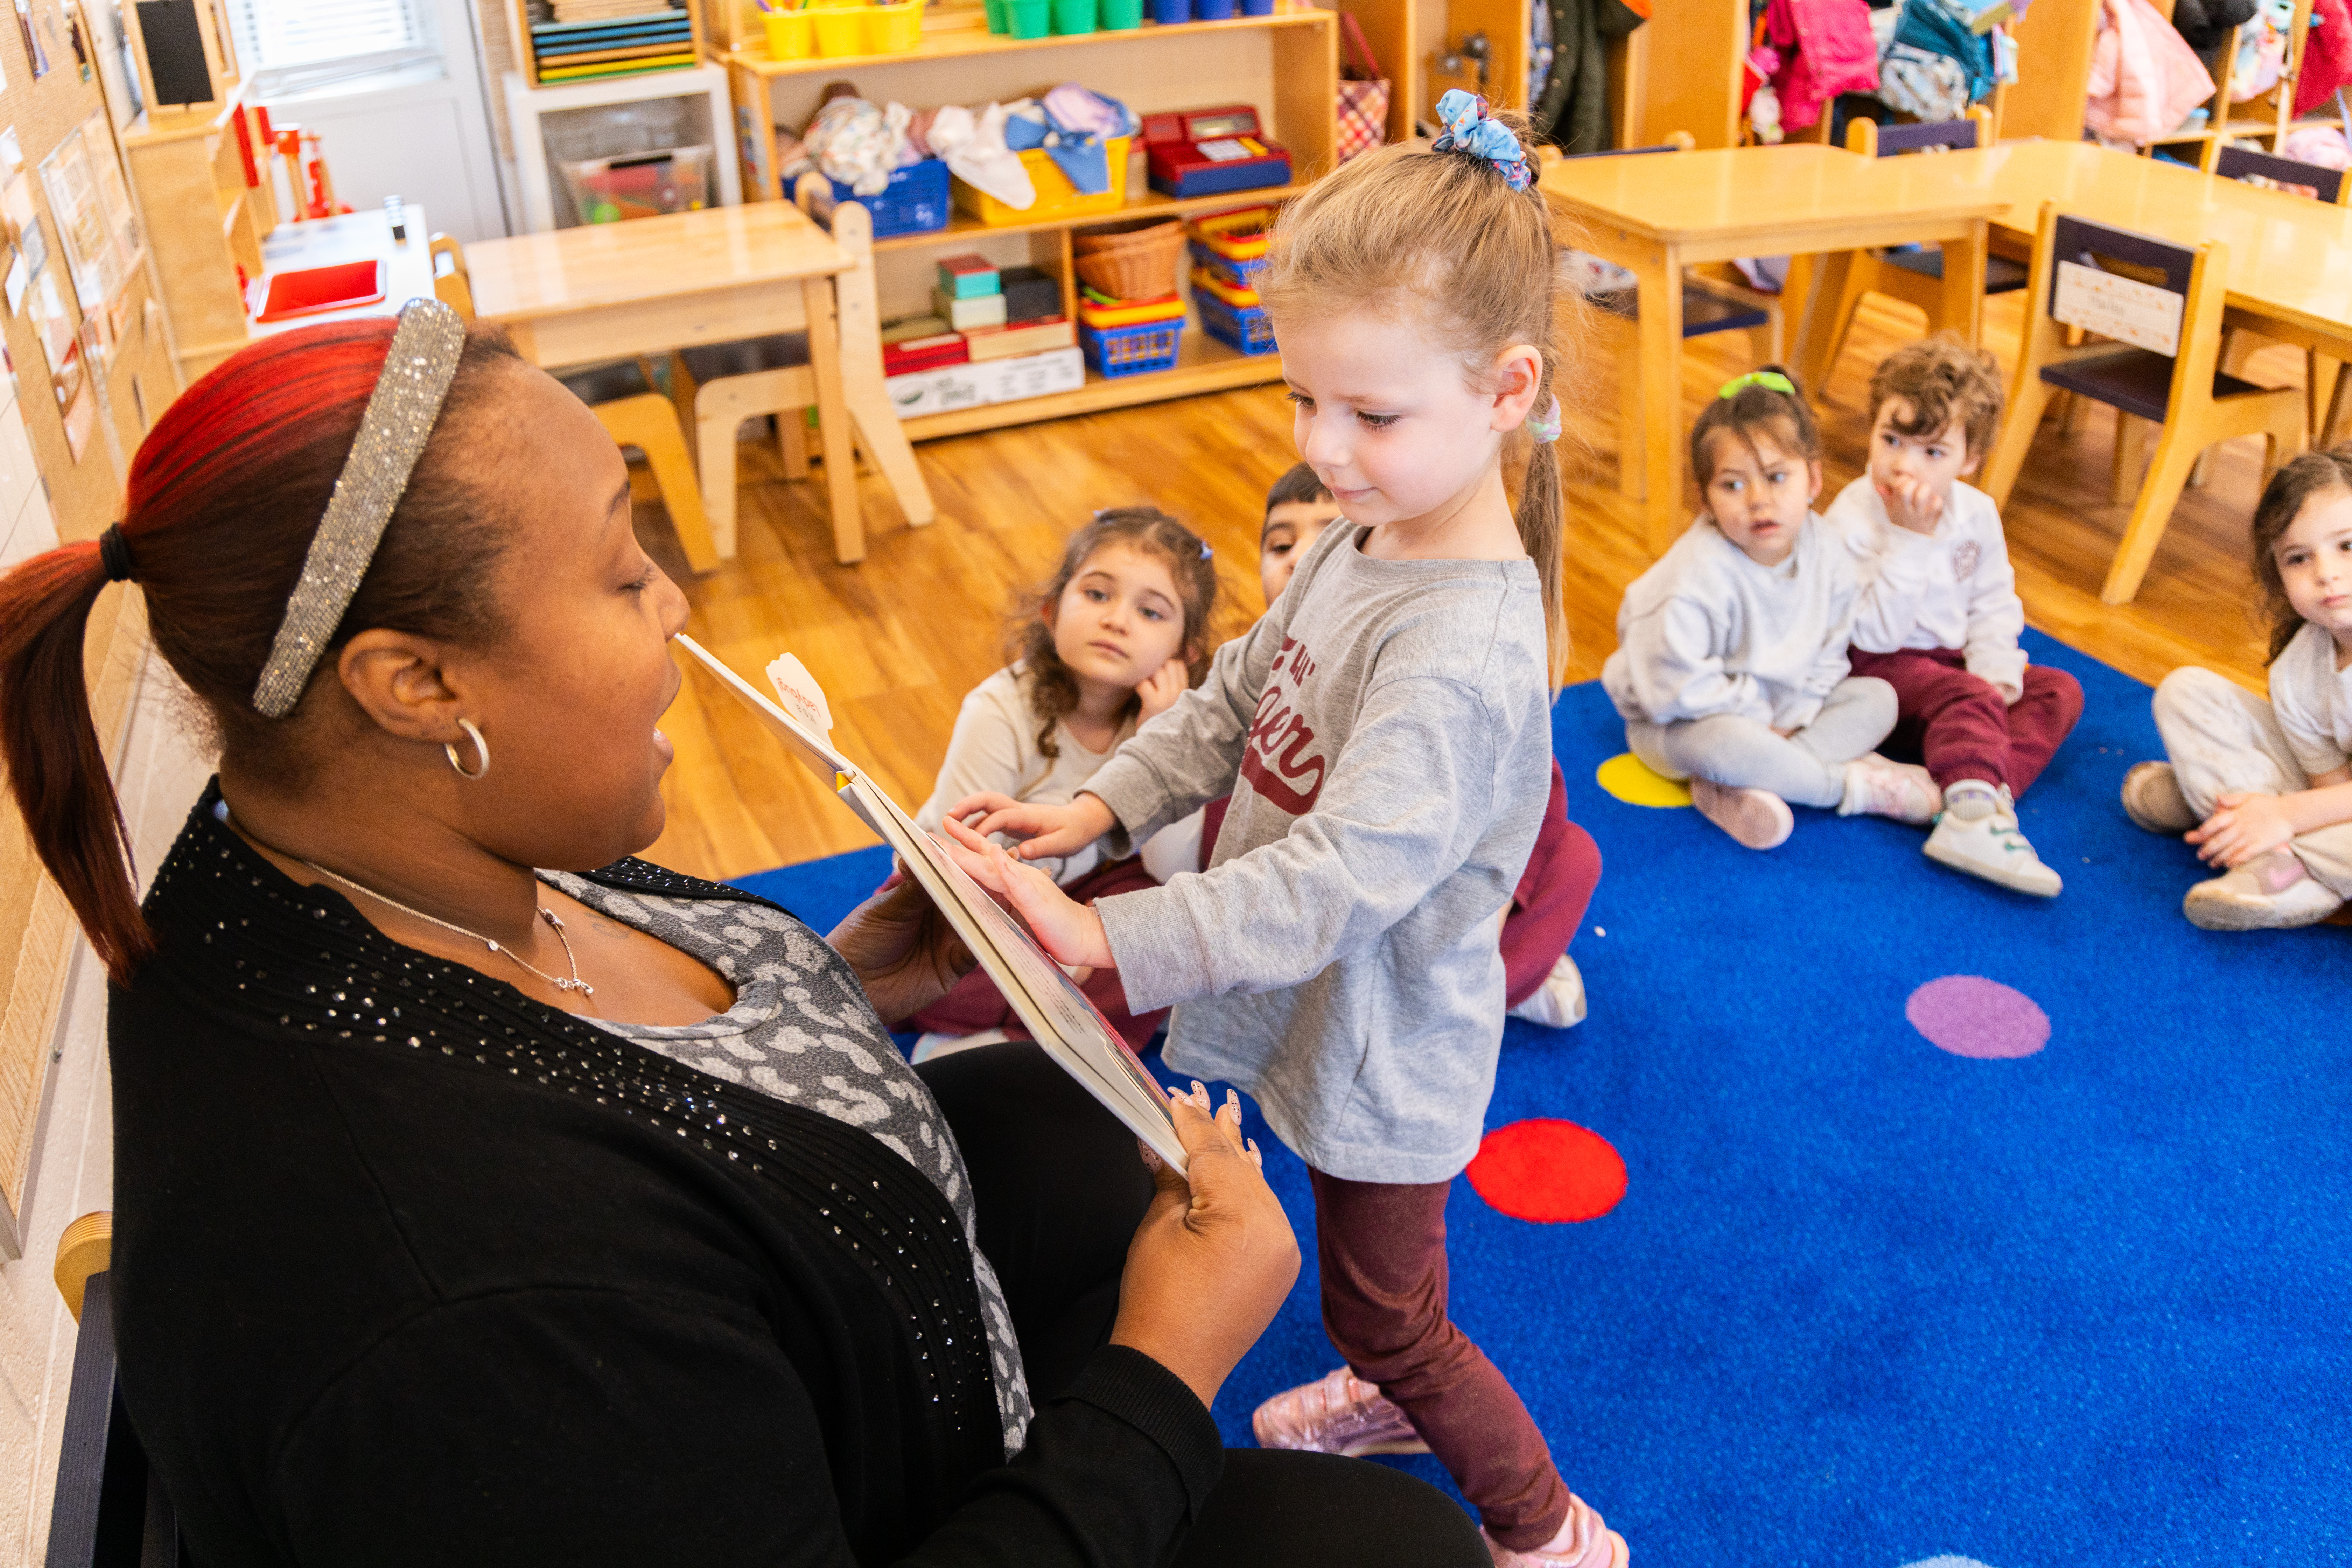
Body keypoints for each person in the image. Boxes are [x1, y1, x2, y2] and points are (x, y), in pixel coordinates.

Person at [0, 303, 1495, 1567]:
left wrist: (853, 980)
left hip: (831, 1342)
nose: (677, 603)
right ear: (416, 684)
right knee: (1405, 1549)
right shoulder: (478, 1312)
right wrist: (1164, 1377)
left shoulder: (317, 839)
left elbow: (597, 1047)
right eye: (621, 568)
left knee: (1067, 1120)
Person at [933, 95, 1624, 1568]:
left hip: (1382, 1038)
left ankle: (1547, 1527)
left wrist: (1104, 928)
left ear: (1508, 391)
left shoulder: (1463, 645)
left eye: (1370, 414)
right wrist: (1098, 803)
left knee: (1391, 1310)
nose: (1324, 448)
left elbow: (1343, 873)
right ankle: (1391, 1395)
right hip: (1305, 997)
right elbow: (1245, 693)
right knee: (1283, 1211)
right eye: (1306, 400)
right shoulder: (1366, 538)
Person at [1158, 461, 1600, 1028]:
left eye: (1327, 531)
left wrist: (1497, 900)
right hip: (1313, 922)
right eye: (1279, 544)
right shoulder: (1257, 668)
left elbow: (1529, 795)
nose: (1300, 554)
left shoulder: (1432, 655)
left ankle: (1498, 980)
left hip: (1412, 895)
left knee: (1574, 856)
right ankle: (1501, 988)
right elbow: (1237, 861)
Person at [906, 506, 1217, 1058]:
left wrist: (1160, 737)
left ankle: (1057, 1027)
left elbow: (1170, 874)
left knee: (1152, 922)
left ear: (1185, 654)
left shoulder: (1174, 722)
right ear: (1051, 613)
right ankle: (1019, 1037)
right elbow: (953, 865)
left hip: (1077, 909)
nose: (1117, 620)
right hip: (977, 903)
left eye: (1150, 612)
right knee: (937, 952)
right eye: (1098, 595)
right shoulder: (1000, 707)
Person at [1600, 368, 1936, 851]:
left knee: (1878, 698)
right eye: (1733, 486)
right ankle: (1846, 787)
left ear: (1813, 478)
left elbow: (1829, 654)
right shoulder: (1692, 581)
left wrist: (1788, 718)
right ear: (1706, 500)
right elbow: (1677, 692)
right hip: (1677, 723)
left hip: (1779, 716)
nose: (1760, 501)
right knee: (1727, 743)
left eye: (1778, 478)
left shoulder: (1830, 552)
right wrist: (1760, 719)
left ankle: (1752, 780)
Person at [1827, 336, 2081, 898]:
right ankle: (1971, 815)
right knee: (1969, 699)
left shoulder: (1978, 514)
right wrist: (1909, 541)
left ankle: (1975, 793)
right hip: (1873, 670)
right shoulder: (1853, 512)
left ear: (1970, 460)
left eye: (1932, 452)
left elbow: (1993, 605)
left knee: (2057, 690)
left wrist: (1995, 677)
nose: (1901, 465)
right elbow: (1869, 633)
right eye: (1891, 440)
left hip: (1949, 675)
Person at [2123, 447, 2352, 929]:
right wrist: (2285, 814)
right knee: (2188, 692)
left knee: (2296, 818)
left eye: (2347, 547)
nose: (2326, 573)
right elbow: (2331, 790)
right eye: (2298, 558)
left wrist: (2287, 813)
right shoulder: (2297, 671)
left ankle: (2282, 865)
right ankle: (2263, 841)